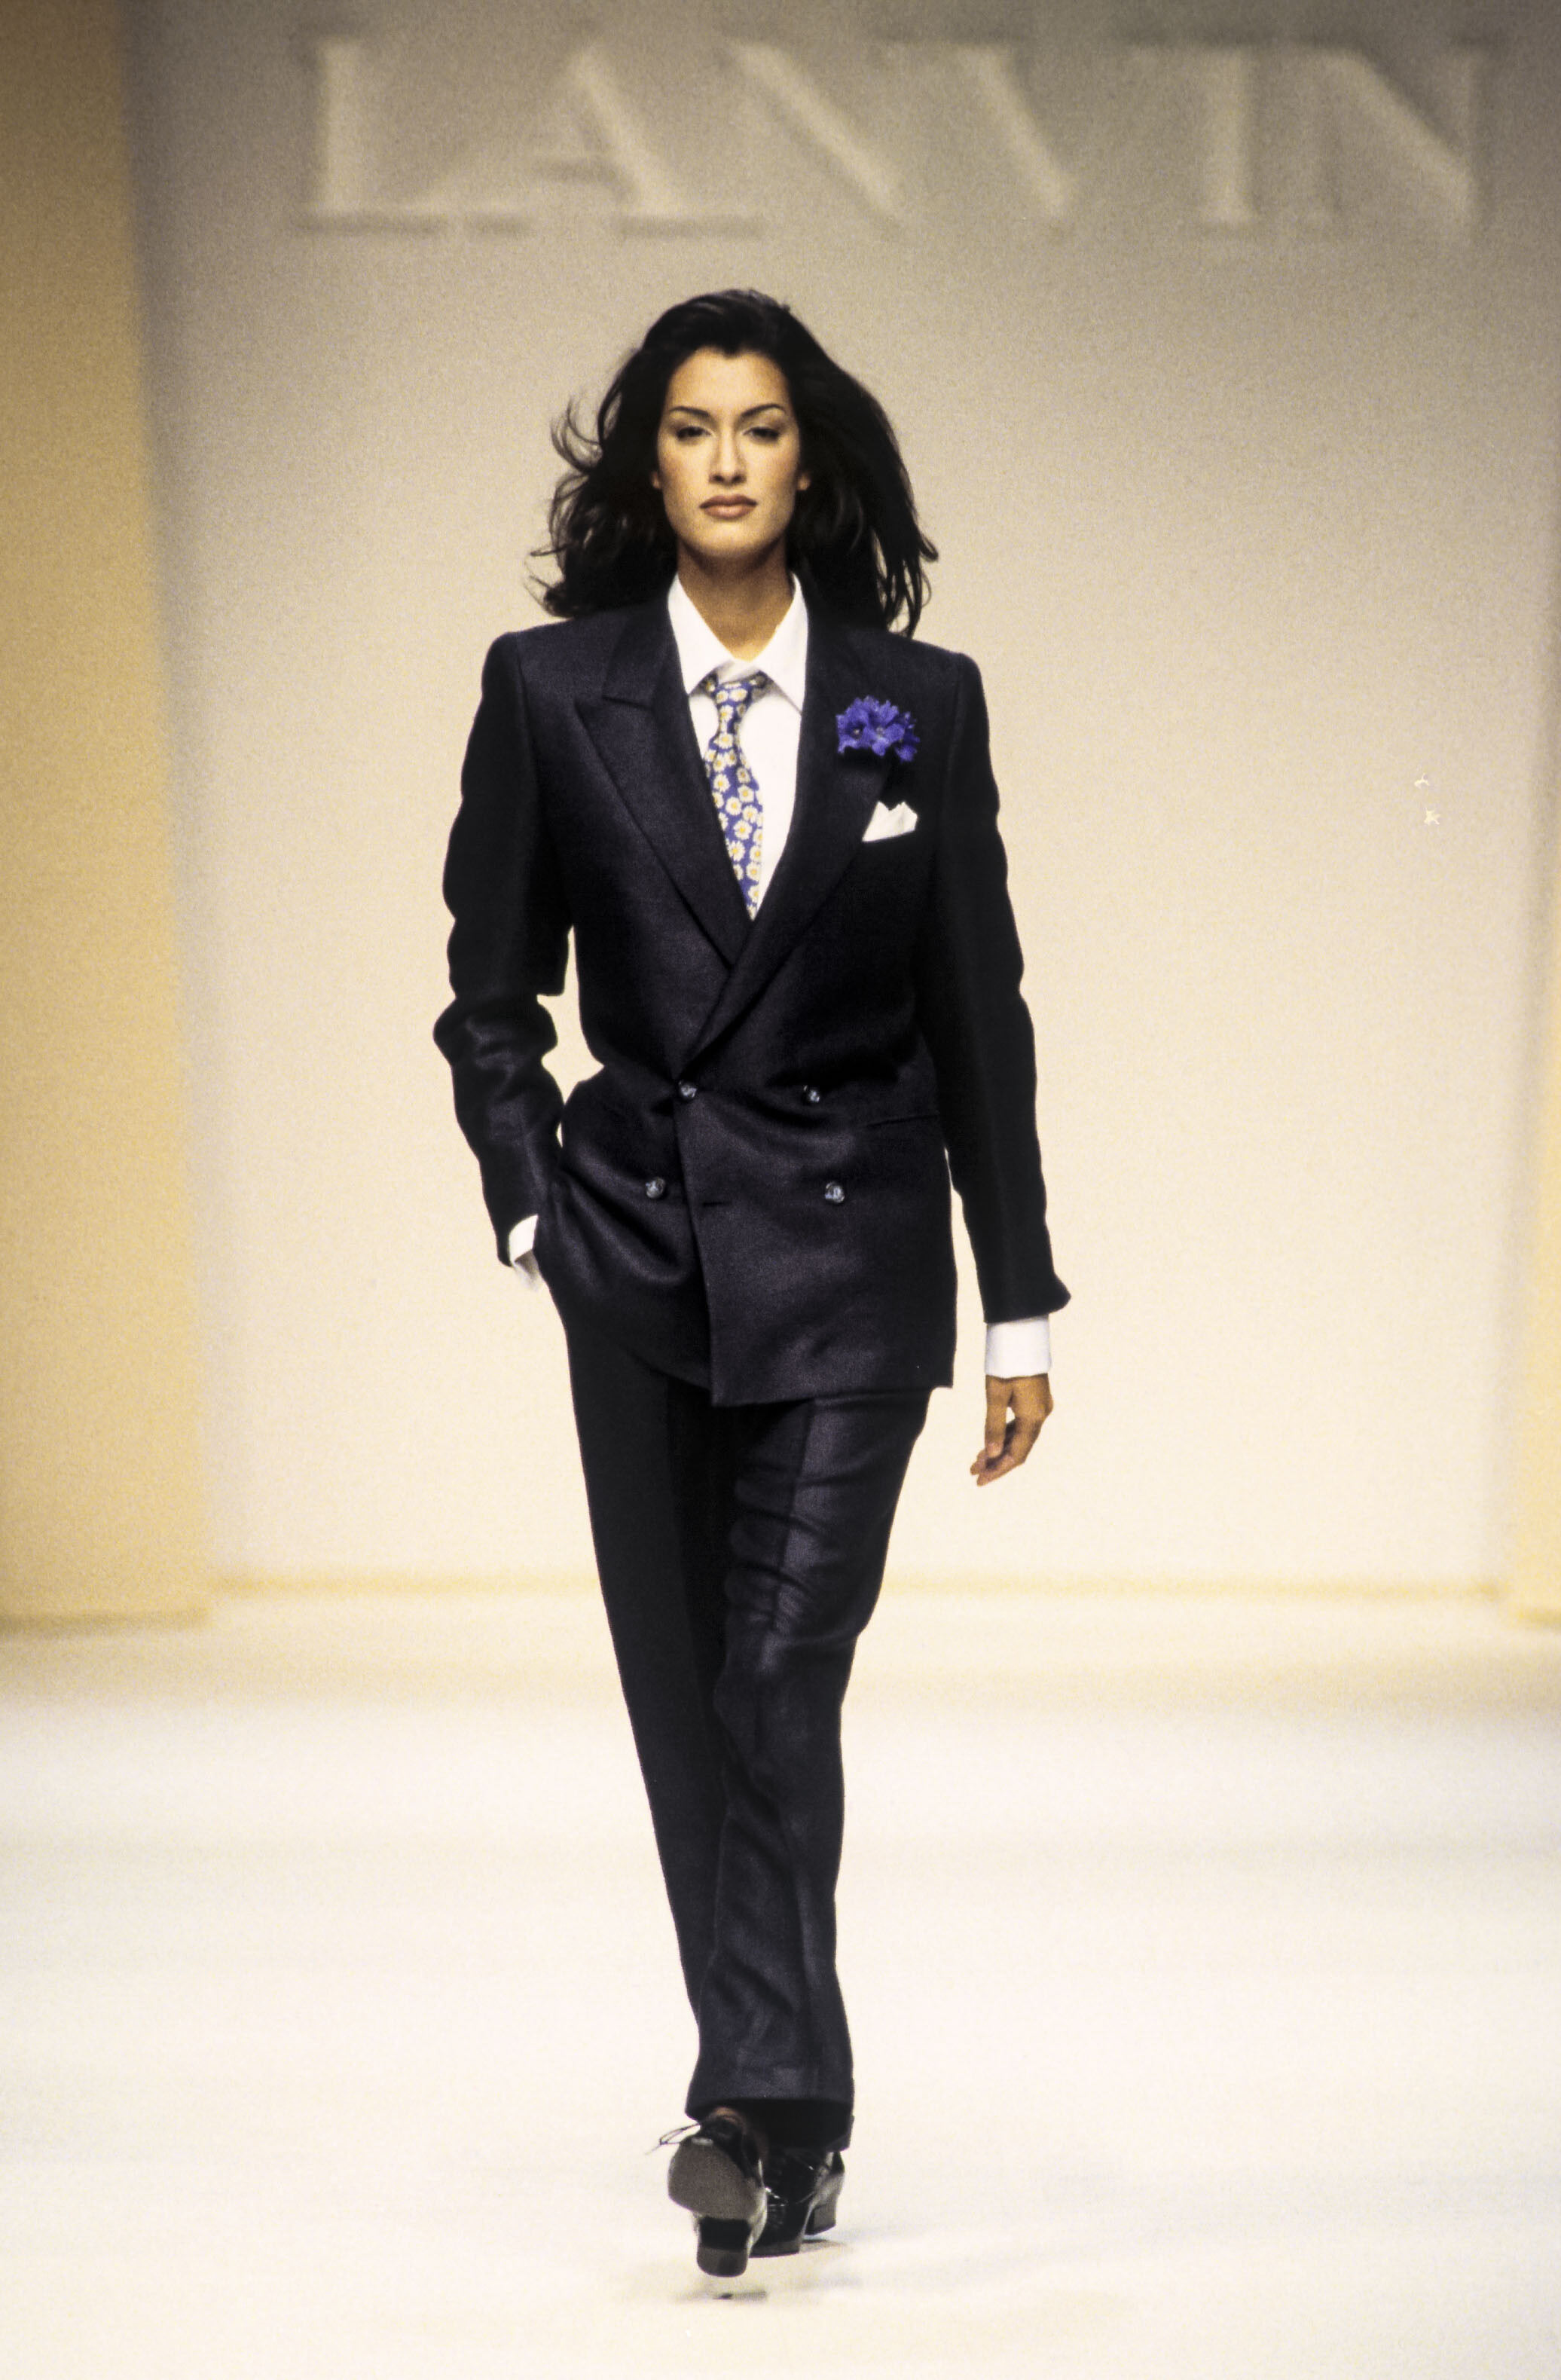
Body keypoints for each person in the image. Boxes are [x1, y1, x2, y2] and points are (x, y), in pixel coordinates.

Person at [434, 289, 1067, 2278]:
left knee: (781, 1674)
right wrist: (533, 1207)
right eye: (693, 426)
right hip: (639, 1257)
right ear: (650, 463)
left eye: (762, 425)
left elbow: (978, 1011)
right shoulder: (554, 692)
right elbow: (487, 992)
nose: (727, 458)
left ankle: (755, 2104)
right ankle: (787, 2120)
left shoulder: (910, 704)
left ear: (812, 460)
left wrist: (1020, 1304)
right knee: (687, 1701)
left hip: (856, 1255)